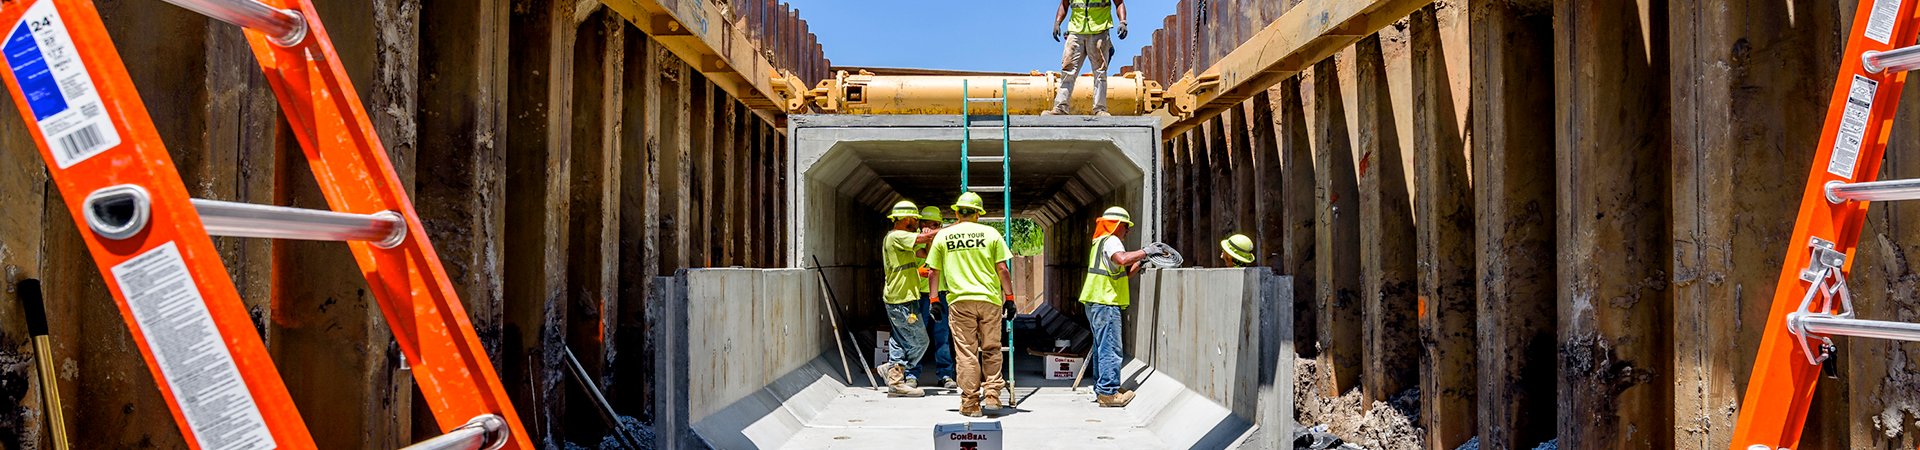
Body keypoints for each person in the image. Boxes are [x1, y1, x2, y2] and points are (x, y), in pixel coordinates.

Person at [925, 192, 1015, 417]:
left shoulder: (944, 236)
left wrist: (934, 300)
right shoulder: (991, 233)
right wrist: (1010, 298)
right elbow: (1003, 269)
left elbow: (933, 272)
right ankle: (993, 394)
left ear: (956, 212)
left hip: (960, 301)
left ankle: (971, 404)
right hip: (989, 300)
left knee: (966, 353)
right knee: (992, 348)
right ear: (978, 214)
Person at [1079, 206, 1156, 407]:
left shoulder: (1100, 241)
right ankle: (1109, 393)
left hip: (1096, 301)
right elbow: (1121, 259)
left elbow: (1122, 271)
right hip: (1106, 303)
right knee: (1111, 347)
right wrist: (1145, 251)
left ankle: (1102, 388)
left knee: (1101, 347)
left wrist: (1141, 261)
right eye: (1125, 226)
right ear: (1115, 225)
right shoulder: (1112, 240)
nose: (1127, 231)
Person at [878, 200, 937, 396]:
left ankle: (895, 382)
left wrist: (928, 238)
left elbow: (925, 253)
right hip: (901, 300)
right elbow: (923, 238)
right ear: (906, 219)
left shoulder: (903, 239)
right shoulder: (897, 236)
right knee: (920, 341)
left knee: (900, 340)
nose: (917, 224)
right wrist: (956, 227)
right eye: (915, 219)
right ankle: (894, 372)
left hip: (903, 297)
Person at [1046, 0, 1127, 116]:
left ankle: (1100, 109)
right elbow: (1064, 5)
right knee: (1068, 71)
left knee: (1100, 72)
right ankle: (1060, 108)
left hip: (1099, 31)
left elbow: (1119, 3)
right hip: (1076, 32)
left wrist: (1123, 22)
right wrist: (1057, 22)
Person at [915, 206, 957, 389]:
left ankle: (945, 375)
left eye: (936, 225)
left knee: (942, 337)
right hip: (920, 297)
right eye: (929, 224)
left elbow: (935, 257)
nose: (932, 228)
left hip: (940, 297)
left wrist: (932, 238)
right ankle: (911, 375)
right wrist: (927, 239)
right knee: (917, 338)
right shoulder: (914, 242)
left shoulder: (943, 243)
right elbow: (924, 256)